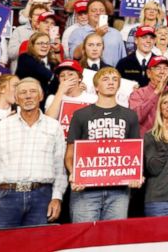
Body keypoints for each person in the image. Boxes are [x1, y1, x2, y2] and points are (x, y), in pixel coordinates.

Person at [0, 78, 68, 229]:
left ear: (41, 96)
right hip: (4, 198)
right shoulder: (1, 127)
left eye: (33, 91)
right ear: (16, 99)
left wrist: (57, 197)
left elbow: (60, 169)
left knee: (37, 247)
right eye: (22, 93)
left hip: (42, 198)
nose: (28, 96)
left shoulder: (54, 127)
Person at [65, 67, 142, 222]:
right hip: (85, 190)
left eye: (115, 80)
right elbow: (70, 154)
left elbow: (135, 153)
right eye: (105, 79)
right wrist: (74, 174)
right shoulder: (81, 115)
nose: (111, 83)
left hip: (119, 191)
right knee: (84, 240)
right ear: (96, 87)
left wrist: (135, 175)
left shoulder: (130, 115)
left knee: (113, 240)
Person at [129, 55, 168, 131]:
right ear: (149, 73)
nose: (162, 72)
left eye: (166, 68)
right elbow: (135, 118)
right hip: (147, 141)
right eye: (158, 68)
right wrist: (156, 92)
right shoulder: (138, 93)